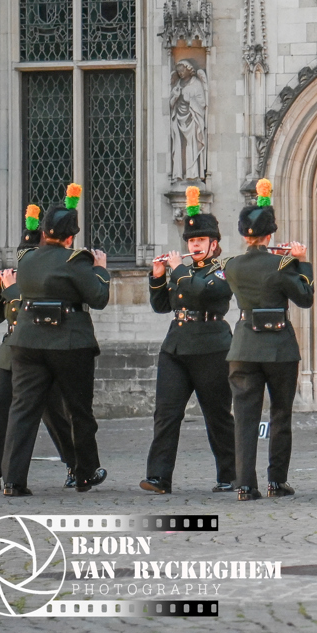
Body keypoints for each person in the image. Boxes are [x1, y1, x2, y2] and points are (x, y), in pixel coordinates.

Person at [1, 185, 109, 496]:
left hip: (27, 341)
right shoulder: (76, 260)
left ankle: (13, 480)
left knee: (23, 410)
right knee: (78, 409)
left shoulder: (27, 259)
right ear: (70, 237)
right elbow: (98, 298)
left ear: (45, 232)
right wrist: (101, 271)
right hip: (69, 342)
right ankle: (85, 473)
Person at [0, 206, 76, 492]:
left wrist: (12, 290)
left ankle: (75, 465)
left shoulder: (46, 274)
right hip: (11, 351)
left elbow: (28, 311)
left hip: (41, 350)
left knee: (55, 415)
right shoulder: (17, 275)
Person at [141, 186, 238, 495]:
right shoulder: (182, 271)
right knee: (166, 413)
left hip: (211, 347)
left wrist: (178, 270)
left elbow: (203, 292)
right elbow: (162, 306)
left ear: (213, 244)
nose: (194, 245)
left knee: (217, 415)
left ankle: (231, 475)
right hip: (176, 346)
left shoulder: (222, 270)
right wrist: (158, 277)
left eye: (200, 241)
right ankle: (158, 476)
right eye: (191, 241)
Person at [227, 179, 314, 501]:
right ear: (269, 235)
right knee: (280, 415)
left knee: (244, 418)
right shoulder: (281, 264)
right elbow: (305, 297)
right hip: (279, 347)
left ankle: (244, 485)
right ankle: (276, 481)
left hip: (244, 346)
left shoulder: (232, 266)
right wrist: (301, 261)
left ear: (244, 235)